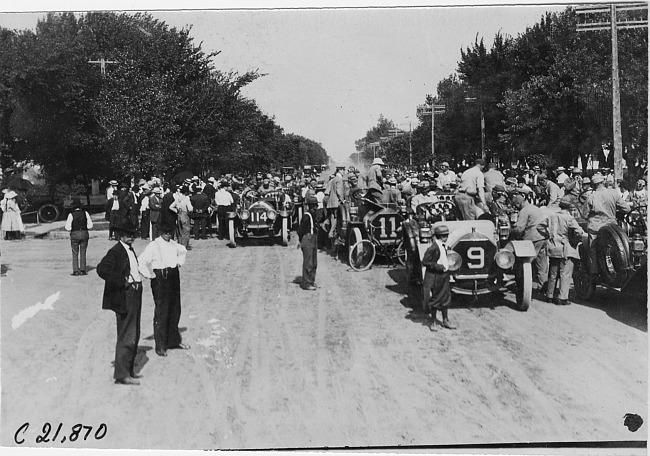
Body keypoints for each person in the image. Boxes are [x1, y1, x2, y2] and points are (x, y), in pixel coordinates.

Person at [97, 220, 143, 386]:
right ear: (120, 235)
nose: (131, 237)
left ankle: (128, 370)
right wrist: (122, 281)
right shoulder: (116, 251)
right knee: (127, 333)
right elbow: (102, 269)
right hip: (127, 294)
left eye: (133, 234)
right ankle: (122, 374)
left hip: (136, 292)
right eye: (127, 234)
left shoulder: (128, 249)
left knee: (133, 331)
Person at [138, 222, 189, 357]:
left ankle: (173, 341)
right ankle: (160, 346)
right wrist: (150, 275)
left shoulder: (173, 244)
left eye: (169, 232)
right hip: (160, 278)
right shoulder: (154, 245)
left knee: (175, 309)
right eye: (165, 232)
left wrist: (179, 262)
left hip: (173, 276)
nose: (167, 235)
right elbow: (141, 261)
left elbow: (183, 251)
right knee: (162, 311)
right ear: (160, 232)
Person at [537, 196, 584, 305]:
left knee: (553, 273)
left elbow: (539, 226)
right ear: (569, 207)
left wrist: (548, 235)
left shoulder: (552, 216)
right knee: (565, 273)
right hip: (565, 247)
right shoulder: (569, 219)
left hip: (553, 247)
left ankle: (549, 295)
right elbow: (579, 232)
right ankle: (562, 298)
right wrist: (574, 240)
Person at [586, 173, 630, 276]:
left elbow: (585, 214)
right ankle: (619, 268)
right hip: (611, 226)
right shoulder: (613, 193)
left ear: (593, 185)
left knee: (593, 249)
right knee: (618, 246)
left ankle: (594, 272)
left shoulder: (591, 196)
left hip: (596, 227)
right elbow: (627, 209)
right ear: (603, 182)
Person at [510, 187, 548, 293]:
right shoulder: (535, 208)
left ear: (522, 197)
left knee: (525, 263)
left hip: (532, 238)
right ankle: (543, 286)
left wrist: (511, 231)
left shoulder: (524, 211)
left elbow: (520, 228)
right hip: (543, 237)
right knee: (542, 264)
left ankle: (523, 287)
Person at [421, 225, 456, 331]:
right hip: (436, 276)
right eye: (446, 235)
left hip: (444, 276)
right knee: (436, 299)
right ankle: (433, 322)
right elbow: (425, 262)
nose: (447, 237)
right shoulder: (433, 247)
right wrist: (439, 267)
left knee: (445, 298)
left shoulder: (443, 245)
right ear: (442, 236)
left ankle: (445, 320)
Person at [297, 195, 322, 290]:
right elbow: (300, 230)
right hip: (307, 239)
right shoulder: (307, 216)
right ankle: (306, 283)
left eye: (315, 206)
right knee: (308, 262)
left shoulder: (314, 215)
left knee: (314, 262)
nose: (315, 208)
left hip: (313, 239)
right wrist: (300, 241)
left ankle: (311, 281)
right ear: (309, 207)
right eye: (313, 206)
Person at [65, 198, 93, 276]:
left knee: (75, 252)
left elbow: (68, 227)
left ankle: (76, 270)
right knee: (83, 252)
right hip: (84, 232)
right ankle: (83, 270)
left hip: (75, 233)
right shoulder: (85, 213)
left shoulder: (71, 215)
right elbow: (90, 225)